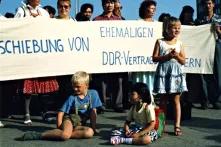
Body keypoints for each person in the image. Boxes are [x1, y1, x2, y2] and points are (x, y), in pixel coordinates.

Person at [19, 71, 102, 141]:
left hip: (79, 124)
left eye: (78, 87)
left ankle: (62, 133)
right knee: (64, 136)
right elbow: (61, 112)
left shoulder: (93, 94)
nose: (75, 89)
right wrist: (59, 127)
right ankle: (39, 135)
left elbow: (93, 112)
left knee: (89, 132)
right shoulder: (72, 97)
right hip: (69, 120)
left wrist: (93, 127)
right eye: (73, 86)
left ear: (86, 85)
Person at [14, 0, 58, 125]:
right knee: (28, 85)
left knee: (43, 84)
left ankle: (45, 112)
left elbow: (49, 29)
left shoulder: (43, 12)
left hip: (41, 52)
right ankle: (26, 113)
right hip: (27, 53)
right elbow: (15, 29)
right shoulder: (21, 11)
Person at [152, 16, 187, 136]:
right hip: (163, 73)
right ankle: (161, 125)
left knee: (176, 100)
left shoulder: (179, 43)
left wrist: (176, 56)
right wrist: (167, 56)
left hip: (175, 75)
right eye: (174, 28)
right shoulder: (160, 42)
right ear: (167, 29)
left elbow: (183, 61)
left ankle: (177, 125)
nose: (177, 30)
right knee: (163, 101)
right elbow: (154, 58)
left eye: (179, 28)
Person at [92, 0, 127, 113]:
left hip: (116, 55)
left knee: (118, 80)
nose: (109, 5)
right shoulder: (96, 20)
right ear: (102, 5)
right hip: (101, 55)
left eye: (112, 3)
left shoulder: (120, 20)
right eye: (107, 3)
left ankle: (118, 104)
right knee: (102, 81)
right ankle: (101, 105)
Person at [195, 0, 221, 109]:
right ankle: (205, 100)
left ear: (213, 5)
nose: (208, 5)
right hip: (203, 49)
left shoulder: (219, 18)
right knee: (203, 74)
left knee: (218, 73)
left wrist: (218, 30)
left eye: (210, 3)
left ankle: (218, 100)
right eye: (206, 4)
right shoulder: (199, 20)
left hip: (216, 47)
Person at [131, 0, 157, 102]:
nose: (153, 11)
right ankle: (137, 104)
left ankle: (150, 103)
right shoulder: (138, 23)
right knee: (139, 81)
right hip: (139, 60)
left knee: (151, 81)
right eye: (151, 8)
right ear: (145, 9)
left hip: (151, 60)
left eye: (154, 9)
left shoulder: (157, 25)